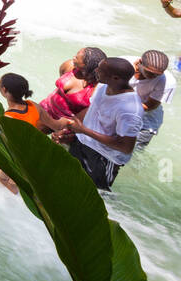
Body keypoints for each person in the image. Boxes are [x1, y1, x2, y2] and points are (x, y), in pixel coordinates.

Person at [54, 57, 143, 191]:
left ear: (115, 78)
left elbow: (125, 147)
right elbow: (92, 109)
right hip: (83, 143)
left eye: (100, 70)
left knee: (93, 192)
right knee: (67, 180)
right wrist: (68, 127)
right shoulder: (103, 86)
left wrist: (83, 130)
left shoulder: (130, 109)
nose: (96, 71)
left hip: (105, 157)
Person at [0, 72, 60, 193]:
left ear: (4, 90)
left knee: (5, 180)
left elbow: (9, 151)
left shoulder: (9, 118)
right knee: (5, 179)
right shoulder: (33, 106)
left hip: (25, 158)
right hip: (37, 151)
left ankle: (19, 201)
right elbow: (56, 125)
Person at [39, 46, 106, 122]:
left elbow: (90, 114)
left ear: (86, 65)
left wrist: (68, 128)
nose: (73, 57)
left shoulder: (97, 88)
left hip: (66, 123)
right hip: (45, 108)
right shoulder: (69, 66)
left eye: (77, 58)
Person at [130, 50, 176, 148]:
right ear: (140, 62)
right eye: (150, 72)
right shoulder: (123, 65)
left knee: (132, 152)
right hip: (120, 114)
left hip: (145, 123)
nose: (153, 76)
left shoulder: (167, 81)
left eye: (158, 74)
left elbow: (148, 106)